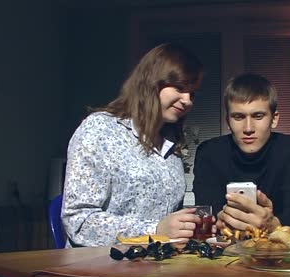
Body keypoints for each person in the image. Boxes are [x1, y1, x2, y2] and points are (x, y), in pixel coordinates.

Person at [61, 43, 205, 247]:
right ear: (152, 83)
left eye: (192, 93)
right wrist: (154, 231)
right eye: (180, 88)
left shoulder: (172, 148)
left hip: (159, 268)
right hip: (100, 268)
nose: (188, 101)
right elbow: (78, 222)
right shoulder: (100, 130)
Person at [193, 73, 290, 233]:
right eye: (238, 117)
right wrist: (220, 222)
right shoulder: (209, 153)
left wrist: (273, 224)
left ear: (274, 119)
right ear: (228, 122)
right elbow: (208, 220)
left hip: (280, 252)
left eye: (258, 116)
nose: (248, 128)